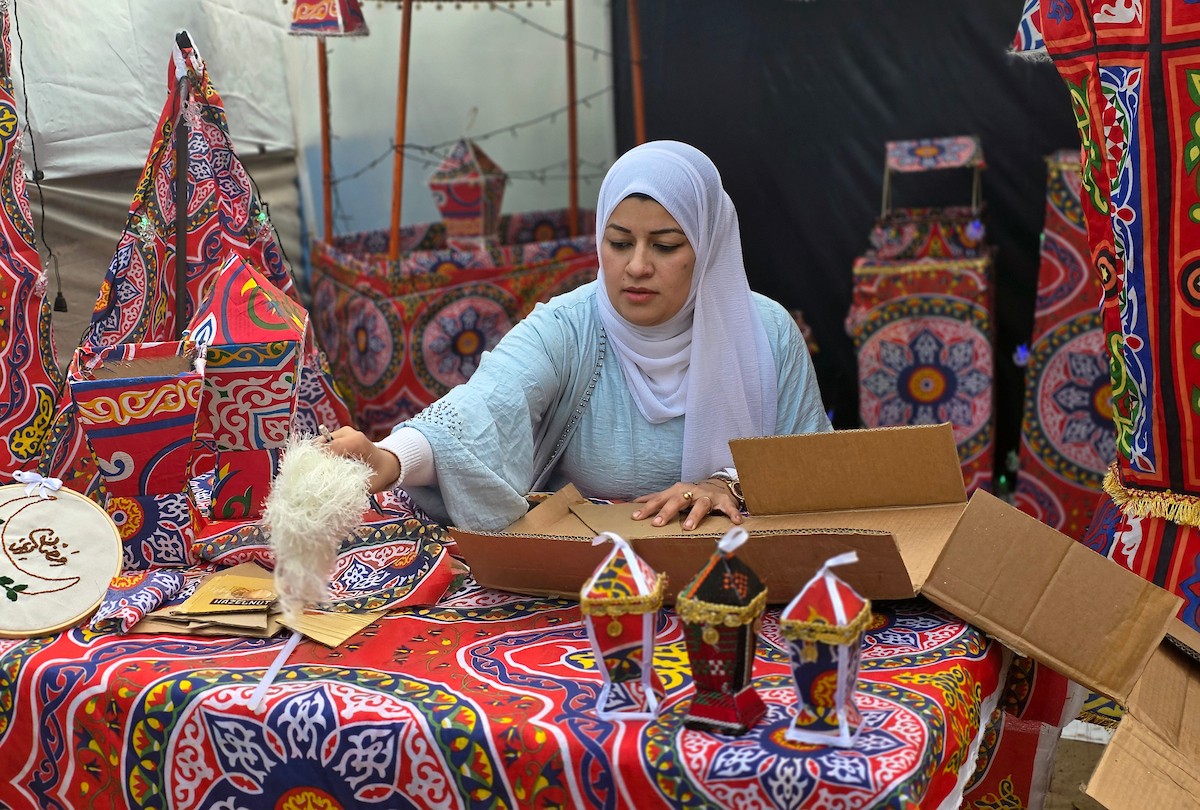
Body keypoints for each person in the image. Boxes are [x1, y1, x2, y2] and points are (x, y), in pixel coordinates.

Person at [328, 140, 831, 531]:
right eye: (618, 242)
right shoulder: (571, 327)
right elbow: (486, 404)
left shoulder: (766, 333)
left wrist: (727, 486)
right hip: (592, 589)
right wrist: (390, 458)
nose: (636, 266)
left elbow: (814, 471)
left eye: (665, 245)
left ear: (707, 249)